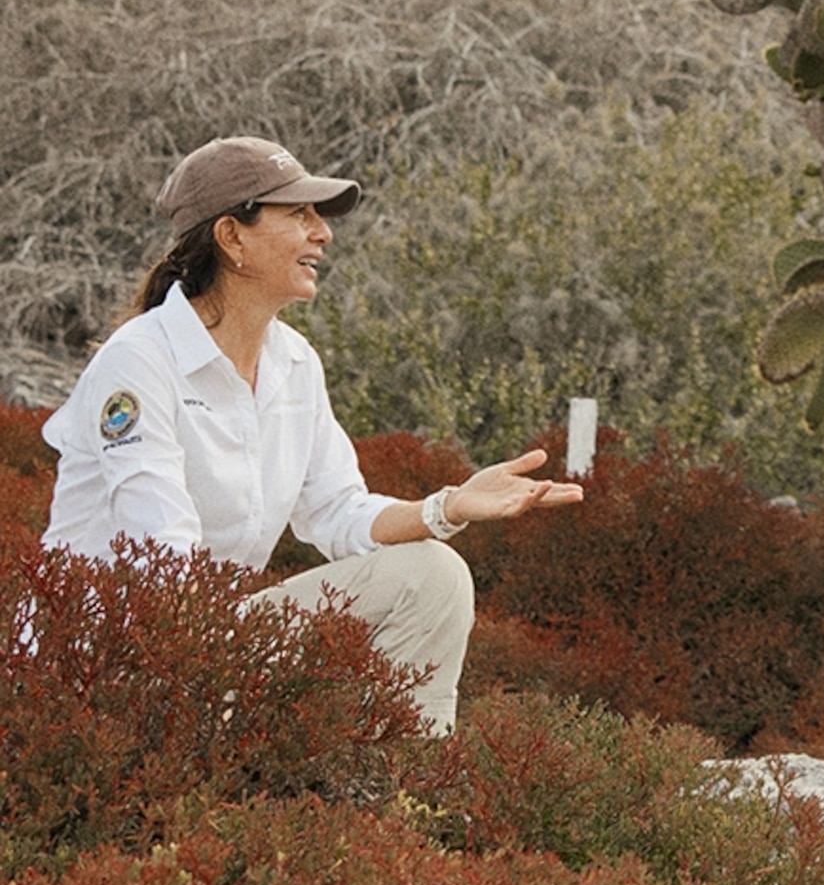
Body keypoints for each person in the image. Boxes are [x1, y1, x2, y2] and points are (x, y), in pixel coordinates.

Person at [42, 135, 582, 733]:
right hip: (103, 660)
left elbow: (337, 511)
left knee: (435, 574)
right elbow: (162, 554)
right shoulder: (137, 360)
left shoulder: (295, 362)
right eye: (297, 214)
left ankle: (406, 800)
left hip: (207, 645)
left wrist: (449, 504)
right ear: (231, 238)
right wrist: (235, 672)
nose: (321, 232)